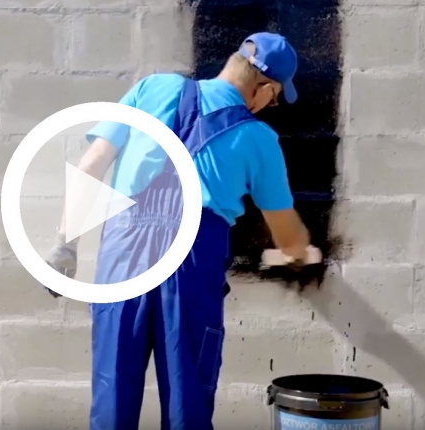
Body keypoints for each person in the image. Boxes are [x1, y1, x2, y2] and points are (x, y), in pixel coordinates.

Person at [45, 32, 316, 430]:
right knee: (187, 404)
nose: (268, 107)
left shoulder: (151, 89)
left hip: (123, 254)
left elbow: (93, 164)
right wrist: (300, 252)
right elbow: (287, 235)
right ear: (264, 88)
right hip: (191, 262)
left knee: (112, 396)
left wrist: (64, 245)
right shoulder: (258, 139)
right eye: (274, 99)